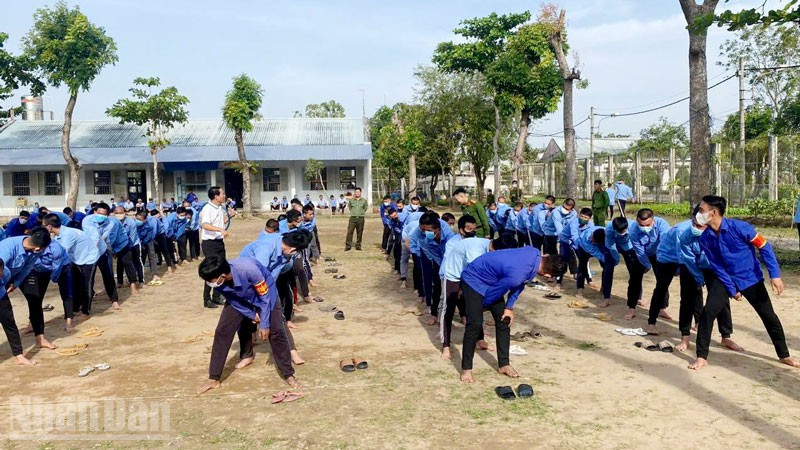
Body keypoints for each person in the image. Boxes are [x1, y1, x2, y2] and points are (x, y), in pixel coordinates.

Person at [689, 195, 800, 370]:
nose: (698, 212)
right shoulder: (705, 238)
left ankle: (784, 354)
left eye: (702, 209)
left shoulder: (740, 228)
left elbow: (764, 247)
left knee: (769, 316)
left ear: (713, 212)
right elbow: (717, 266)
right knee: (708, 312)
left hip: (750, 278)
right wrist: (732, 288)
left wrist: (775, 275)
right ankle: (702, 356)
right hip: (725, 279)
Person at [196, 255, 300, 394]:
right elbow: (233, 300)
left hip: (267, 296)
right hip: (238, 299)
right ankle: (214, 378)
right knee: (223, 331)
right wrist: (251, 314)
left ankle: (288, 374)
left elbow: (264, 297)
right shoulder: (219, 283)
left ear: (222, 275)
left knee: (276, 331)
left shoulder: (249, 270)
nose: (209, 284)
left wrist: (263, 323)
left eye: (211, 281)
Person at [459, 239, 543, 383]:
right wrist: (481, 306)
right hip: (474, 278)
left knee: (504, 320)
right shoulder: (516, 274)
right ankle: (467, 369)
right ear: (547, 275)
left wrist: (509, 308)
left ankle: (504, 364)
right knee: (475, 323)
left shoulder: (535, 254)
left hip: (493, 281)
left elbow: (519, 285)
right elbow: (492, 294)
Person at [240, 230, 312, 366]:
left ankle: (292, 351)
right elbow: (257, 275)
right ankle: (246, 355)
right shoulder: (265, 248)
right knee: (244, 315)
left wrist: (268, 298)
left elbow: (272, 275)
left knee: (277, 316)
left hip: (265, 280)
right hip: (246, 279)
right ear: (293, 249)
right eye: (296, 253)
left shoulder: (286, 251)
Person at [676, 207, 740, 353]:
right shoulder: (685, 235)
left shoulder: (719, 234)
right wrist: (698, 278)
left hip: (714, 268)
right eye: (695, 224)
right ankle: (685, 337)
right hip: (691, 267)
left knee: (721, 300)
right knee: (687, 300)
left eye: (701, 226)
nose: (697, 228)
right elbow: (689, 259)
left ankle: (726, 336)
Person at [439, 215, 502, 360]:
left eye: (474, 229)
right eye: (469, 229)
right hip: (452, 275)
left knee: (475, 307)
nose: (472, 231)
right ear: (461, 230)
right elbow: (476, 269)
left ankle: (480, 339)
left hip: (469, 276)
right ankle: (446, 345)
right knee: (448, 309)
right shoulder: (453, 243)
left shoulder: (484, 243)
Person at [0, 227, 51, 366]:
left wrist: (16, 283)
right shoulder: (7, 248)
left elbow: (28, 267)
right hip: (2, 281)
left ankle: (22, 353)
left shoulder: (34, 251)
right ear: (39, 247)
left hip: (14, 278)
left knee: (10, 320)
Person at [44, 214, 99, 331]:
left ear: (49, 227)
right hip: (77, 259)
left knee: (86, 285)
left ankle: (86, 312)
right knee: (77, 284)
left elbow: (60, 252)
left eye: (43, 226)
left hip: (89, 258)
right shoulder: (60, 234)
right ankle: (77, 308)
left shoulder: (67, 235)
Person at [20, 238, 68, 350]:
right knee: (33, 301)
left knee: (36, 302)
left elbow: (56, 266)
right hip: (26, 272)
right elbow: (34, 264)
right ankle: (34, 327)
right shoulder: (26, 248)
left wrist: (52, 276)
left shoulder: (56, 248)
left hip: (44, 273)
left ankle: (39, 337)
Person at [626, 208, 670, 320]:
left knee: (662, 280)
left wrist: (659, 264)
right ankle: (631, 308)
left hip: (659, 253)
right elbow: (639, 251)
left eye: (647, 224)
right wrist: (647, 265)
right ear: (637, 221)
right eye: (641, 225)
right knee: (634, 280)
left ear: (653, 220)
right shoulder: (633, 231)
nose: (645, 227)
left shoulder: (662, 225)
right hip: (641, 254)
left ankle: (662, 308)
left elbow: (664, 245)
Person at [414, 212, 456, 325]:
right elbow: (436, 257)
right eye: (424, 230)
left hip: (453, 261)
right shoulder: (427, 239)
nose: (425, 233)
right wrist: (442, 272)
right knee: (437, 286)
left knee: (456, 288)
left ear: (438, 229)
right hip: (439, 261)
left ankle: (463, 315)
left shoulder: (449, 236)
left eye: (428, 231)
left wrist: (448, 271)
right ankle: (434, 313)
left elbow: (451, 254)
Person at [82, 203, 122, 310]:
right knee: (89, 279)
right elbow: (86, 236)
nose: (100, 215)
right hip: (88, 252)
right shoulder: (87, 220)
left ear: (107, 215)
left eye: (103, 214)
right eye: (98, 213)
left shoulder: (110, 224)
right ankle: (86, 307)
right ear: (94, 212)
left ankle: (114, 300)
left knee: (108, 275)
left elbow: (101, 238)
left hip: (102, 250)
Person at [199, 187, 230, 308]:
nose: (224, 195)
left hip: (219, 242)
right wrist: (220, 230)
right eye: (222, 194)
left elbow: (219, 222)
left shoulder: (218, 208)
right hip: (210, 243)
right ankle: (206, 299)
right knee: (211, 270)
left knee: (222, 268)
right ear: (216, 196)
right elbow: (205, 224)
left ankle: (217, 296)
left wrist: (229, 216)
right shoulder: (207, 208)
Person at [575, 227, 618, 301]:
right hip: (583, 248)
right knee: (582, 266)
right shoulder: (586, 238)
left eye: (594, 241)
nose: (592, 240)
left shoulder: (607, 236)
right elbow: (596, 253)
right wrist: (608, 260)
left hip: (601, 244)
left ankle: (604, 287)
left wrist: (611, 261)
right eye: (592, 239)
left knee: (606, 266)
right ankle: (580, 290)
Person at [555, 207, 593, 291]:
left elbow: (590, 237)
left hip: (579, 243)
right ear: (579, 215)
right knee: (563, 260)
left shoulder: (591, 225)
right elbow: (574, 236)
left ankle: (589, 280)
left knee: (584, 260)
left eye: (586, 217)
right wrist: (581, 246)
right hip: (566, 241)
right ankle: (558, 282)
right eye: (582, 216)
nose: (583, 218)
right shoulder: (574, 223)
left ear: (589, 218)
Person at [113, 206, 142, 294]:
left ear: (125, 213)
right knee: (120, 263)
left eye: (121, 213)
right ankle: (120, 282)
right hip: (118, 245)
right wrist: (115, 250)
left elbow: (132, 237)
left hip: (131, 244)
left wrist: (126, 249)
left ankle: (133, 283)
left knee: (129, 262)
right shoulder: (113, 222)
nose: (119, 215)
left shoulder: (131, 222)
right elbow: (112, 237)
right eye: (117, 213)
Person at [344, 187, 367, 251]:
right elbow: (350, 208)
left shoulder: (364, 201)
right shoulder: (351, 201)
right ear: (354, 193)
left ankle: (358, 245)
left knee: (359, 232)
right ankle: (348, 246)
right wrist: (354, 213)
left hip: (360, 218)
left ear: (360, 193)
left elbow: (365, 208)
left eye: (358, 192)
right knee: (350, 232)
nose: (357, 193)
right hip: (353, 218)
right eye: (356, 192)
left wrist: (360, 213)